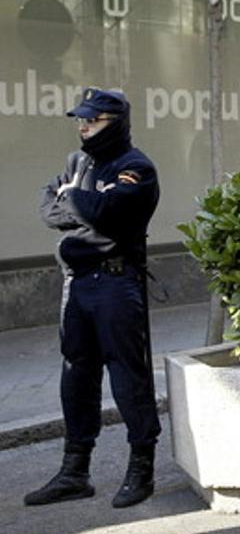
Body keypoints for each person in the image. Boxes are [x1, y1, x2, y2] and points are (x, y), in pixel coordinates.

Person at [28, 88, 161, 509]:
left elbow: (107, 215)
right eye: (80, 119)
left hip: (115, 283)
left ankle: (141, 469)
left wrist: (74, 200)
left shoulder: (135, 167)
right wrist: (81, 203)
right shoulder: (78, 163)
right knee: (76, 376)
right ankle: (74, 471)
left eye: (93, 119)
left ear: (115, 121)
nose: (83, 126)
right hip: (79, 283)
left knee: (128, 377)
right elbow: (49, 211)